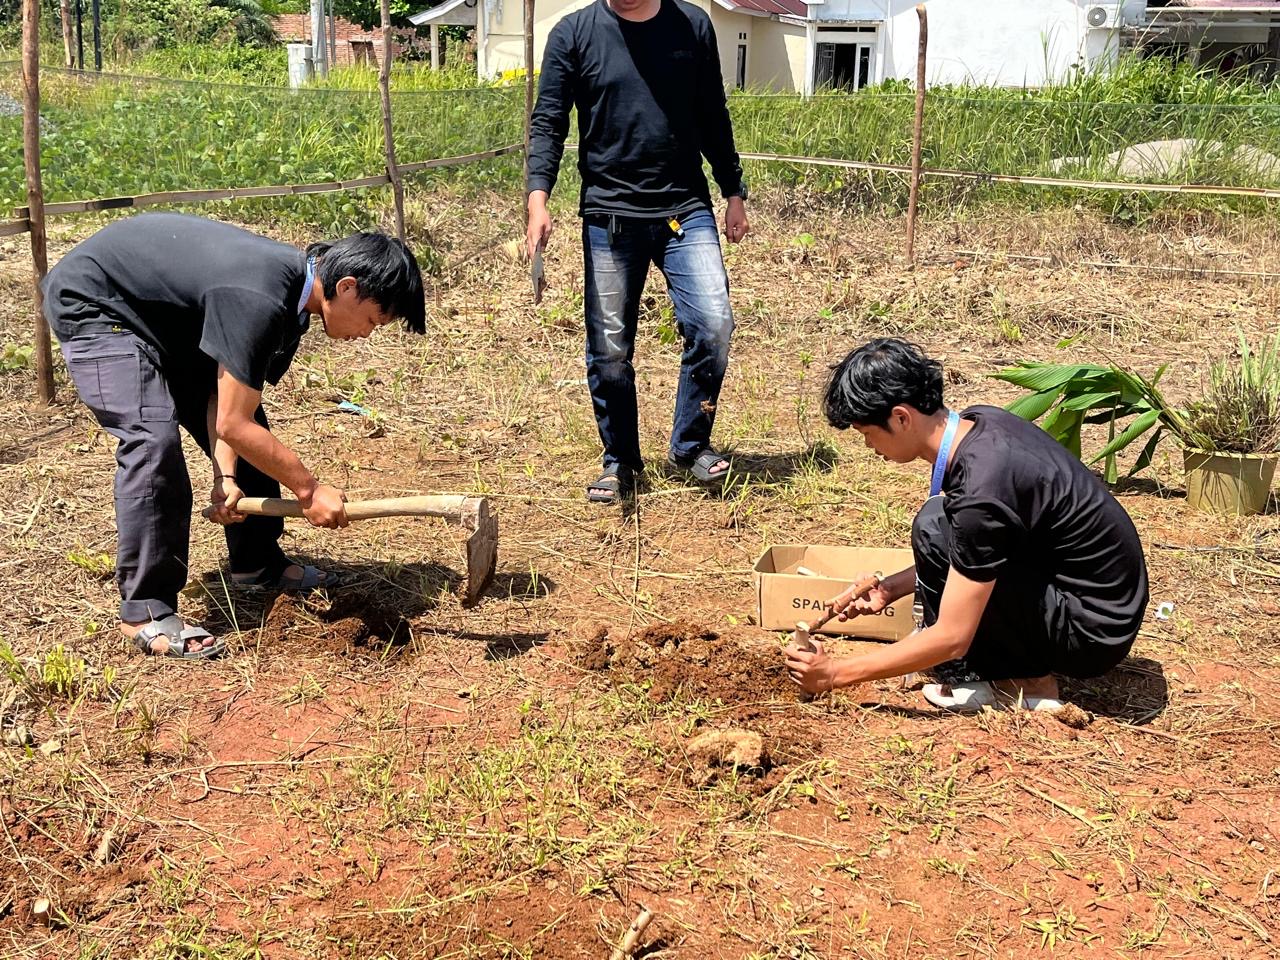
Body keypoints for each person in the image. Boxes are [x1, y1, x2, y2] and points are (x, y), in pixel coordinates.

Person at [44, 213, 425, 660]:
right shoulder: (260, 296)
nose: (366, 334)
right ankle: (144, 613)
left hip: (161, 320)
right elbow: (230, 424)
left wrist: (225, 476)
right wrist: (309, 488)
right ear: (347, 287)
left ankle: (256, 564)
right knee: (151, 442)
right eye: (373, 320)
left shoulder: (291, 305)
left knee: (252, 432)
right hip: (97, 304)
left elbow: (222, 400)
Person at [784, 338, 1149, 711]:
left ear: (901, 417)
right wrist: (890, 588)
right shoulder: (981, 424)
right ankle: (1010, 667)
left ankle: (1026, 683)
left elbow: (953, 636)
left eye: (867, 434)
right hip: (1092, 600)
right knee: (934, 524)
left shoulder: (982, 491)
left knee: (938, 530)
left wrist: (834, 674)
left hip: (1091, 632)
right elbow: (977, 543)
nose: (868, 447)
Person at [526, 0, 750, 504]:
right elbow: (549, 122)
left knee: (714, 323)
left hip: (684, 208)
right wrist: (538, 198)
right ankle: (621, 461)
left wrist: (732, 190)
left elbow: (712, 111)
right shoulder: (573, 33)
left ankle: (691, 446)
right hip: (609, 216)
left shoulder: (692, 25)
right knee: (609, 348)